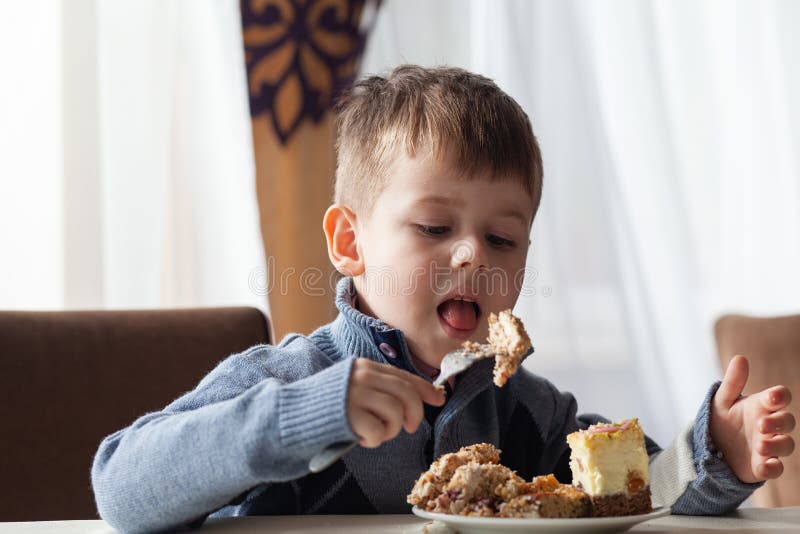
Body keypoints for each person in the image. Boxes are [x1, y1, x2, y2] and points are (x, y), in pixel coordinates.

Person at [92, 65, 795, 533]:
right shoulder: (287, 386)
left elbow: (638, 492)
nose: (472, 256)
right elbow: (121, 488)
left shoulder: (527, 412)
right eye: (434, 228)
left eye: (502, 239)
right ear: (350, 240)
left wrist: (714, 455)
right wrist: (300, 422)